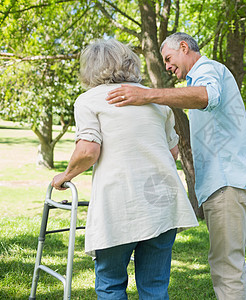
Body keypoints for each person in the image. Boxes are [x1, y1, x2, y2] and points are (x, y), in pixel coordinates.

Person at [106, 32, 246, 300]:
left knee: (226, 267)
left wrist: (146, 96)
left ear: (184, 47)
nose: (166, 66)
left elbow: (206, 96)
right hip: (234, 179)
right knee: (228, 262)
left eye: (168, 58)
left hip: (227, 182)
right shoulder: (204, 74)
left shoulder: (207, 69)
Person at [51, 38, 198, 300]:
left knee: (111, 284)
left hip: (120, 206)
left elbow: (88, 151)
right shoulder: (156, 101)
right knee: (154, 286)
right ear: (130, 63)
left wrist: (65, 176)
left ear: (91, 69)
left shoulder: (88, 101)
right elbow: (172, 152)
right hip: (162, 202)